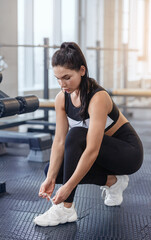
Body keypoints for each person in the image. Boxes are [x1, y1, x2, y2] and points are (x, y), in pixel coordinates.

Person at [33, 42, 143, 227]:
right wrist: (50, 179)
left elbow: (92, 149)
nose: (62, 84)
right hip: (101, 156)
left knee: (76, 135)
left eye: (67, 77)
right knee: (53, 171)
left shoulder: (97, 97)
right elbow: (59, 141)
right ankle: (113, 182)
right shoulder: (62, 98)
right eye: (58, 78)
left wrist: (67, 190)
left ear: (82, 70)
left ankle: (66, 209)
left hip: (127, 154)